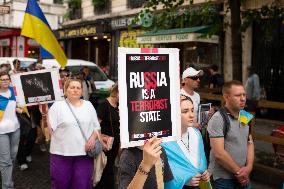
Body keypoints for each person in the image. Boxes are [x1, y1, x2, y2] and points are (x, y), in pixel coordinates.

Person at [41, 78, 101, 189]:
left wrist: (93, 138)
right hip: (61, 154)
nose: (75, 90)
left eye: (78, 88)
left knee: (82, 185)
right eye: (72, 87)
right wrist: (45, 115)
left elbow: (96, 127)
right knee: (61, 185)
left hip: (84, 154)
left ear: (82, 91)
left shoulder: (88, 105)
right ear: (66, 90)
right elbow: (50, 131)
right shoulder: (57, 106)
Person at [207, 80, 254, 189]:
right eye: (238, 95)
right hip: (222, 179)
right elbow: (219, 154)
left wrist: (249, 167)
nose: (243, 98)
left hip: (243, 175)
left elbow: (249, 142)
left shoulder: (245, 116)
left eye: (244, 94)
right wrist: (239, 173)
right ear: (226, 97)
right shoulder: (218, 118)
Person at [162, 95, 210, 189]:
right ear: (173, 113)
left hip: (198, 185)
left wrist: (205, 173)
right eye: (185, 111)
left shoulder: (196, 133)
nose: (192, 115)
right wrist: (184, 180)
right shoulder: (164, 140)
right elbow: (161, 173)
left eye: (192, 110)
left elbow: (200, 161)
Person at [94, 84, 119, 189]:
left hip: (115, 144)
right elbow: (95, 126)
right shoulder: (104, 105)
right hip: (105, 144)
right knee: (106, 170)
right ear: (116, 92)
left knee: (110, 168)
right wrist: (100, 141)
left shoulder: (119, 105)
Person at [0, 71, 21, 189]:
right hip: (1, 132)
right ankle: (7, 186)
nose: (4, 81)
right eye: (2, 79)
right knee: (5, 161)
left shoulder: (14, 92)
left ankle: (6, 177)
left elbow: (19, 103)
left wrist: (18, 108)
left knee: (12, 157)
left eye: (6, 79)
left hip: (15, 129)